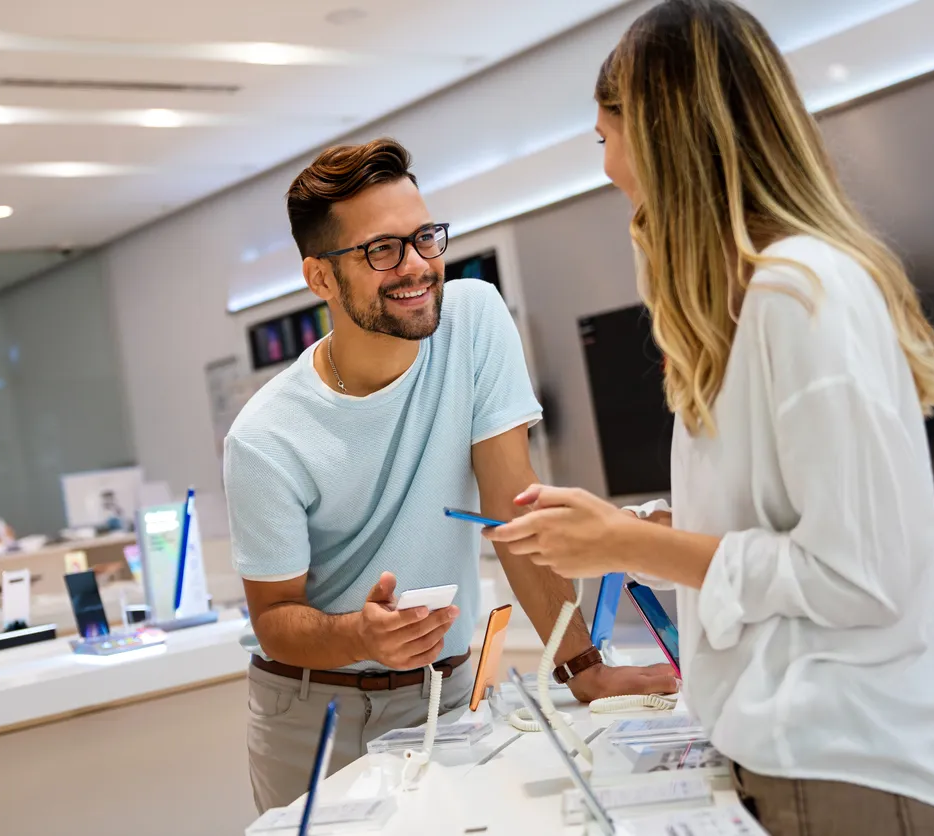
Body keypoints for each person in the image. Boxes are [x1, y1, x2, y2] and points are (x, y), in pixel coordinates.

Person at [484, 2, 934, 834]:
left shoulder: (796, 296)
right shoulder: (754, 303)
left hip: (841, 767)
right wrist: (640, 532)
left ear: (660, 135)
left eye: (605, 135)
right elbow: (786, 533)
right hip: (791, 757)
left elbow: (853, 575)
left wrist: (626, 545)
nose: (606, 165)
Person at [224, 137, 678, 812]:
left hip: (451, 687)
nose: (416, 267)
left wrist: (583, 668)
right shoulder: (265, 437)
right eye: (382, 250)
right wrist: (359, 633)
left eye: (424, 238)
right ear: (320, 278)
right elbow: (274, 620)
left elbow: (509, 507)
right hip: (315, 709)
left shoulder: (472, 318)